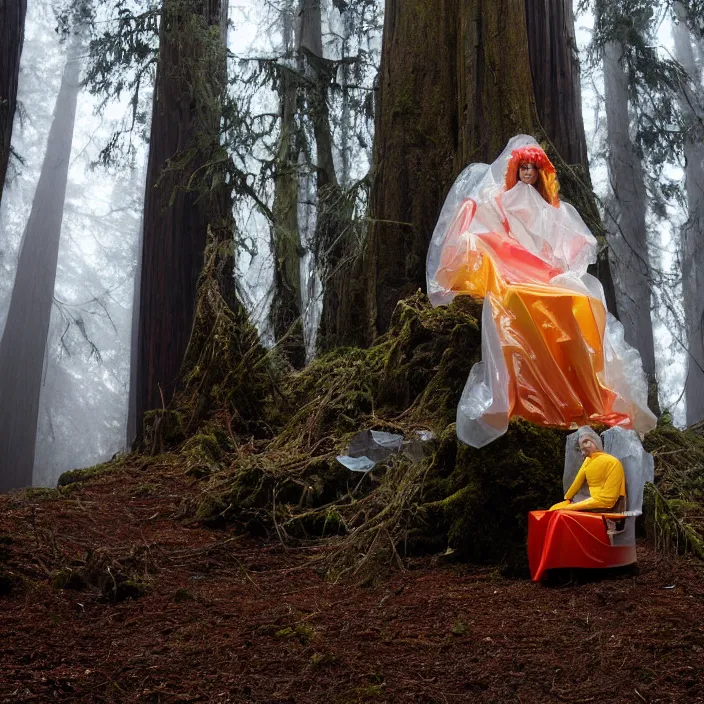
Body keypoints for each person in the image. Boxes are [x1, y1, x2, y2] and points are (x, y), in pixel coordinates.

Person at [426, 135, 656, 448]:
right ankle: (540, 395)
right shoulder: (503, 199)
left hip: (541, 271)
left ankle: (579, 393)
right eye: (523, 167)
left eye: (533, 168)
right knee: (520, 301)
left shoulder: (549, 208)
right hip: (514, 269)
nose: (527, 173)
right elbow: (489, 223)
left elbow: (568, 239)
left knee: (580, 300)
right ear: (516, 169)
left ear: (540, 172)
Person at [549, 426, 626, 512]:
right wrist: (568, 498)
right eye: (581, 450)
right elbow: (577, 482)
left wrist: (569, 502)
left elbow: (608, 498)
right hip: (589, 499)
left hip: (603, 502)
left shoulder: (613, 462)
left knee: (560, 510)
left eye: (585, 449)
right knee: (555, 509)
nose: (582, 453)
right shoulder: (589, 460)